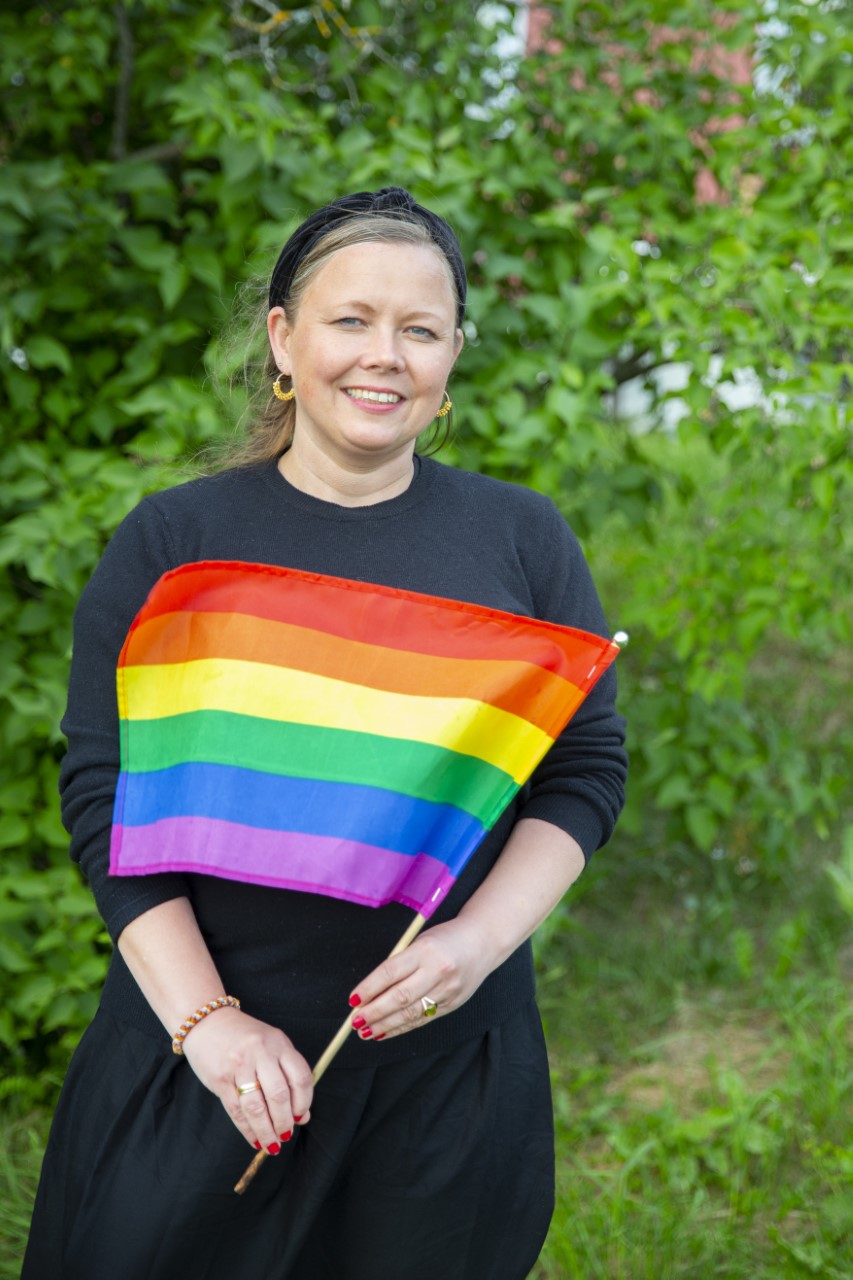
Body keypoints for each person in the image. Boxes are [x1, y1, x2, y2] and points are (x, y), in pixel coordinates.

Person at [24, 187, 627, 1280]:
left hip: (442, 1081)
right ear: (282, 338)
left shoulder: (522, 541)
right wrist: (209, 1023)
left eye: (420, 328)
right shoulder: (177, 544)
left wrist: (475, 942)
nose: (382, 356)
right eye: (350, 319)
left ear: (452, 357)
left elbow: (582, 768)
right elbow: (106, 794)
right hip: (204, 1060)